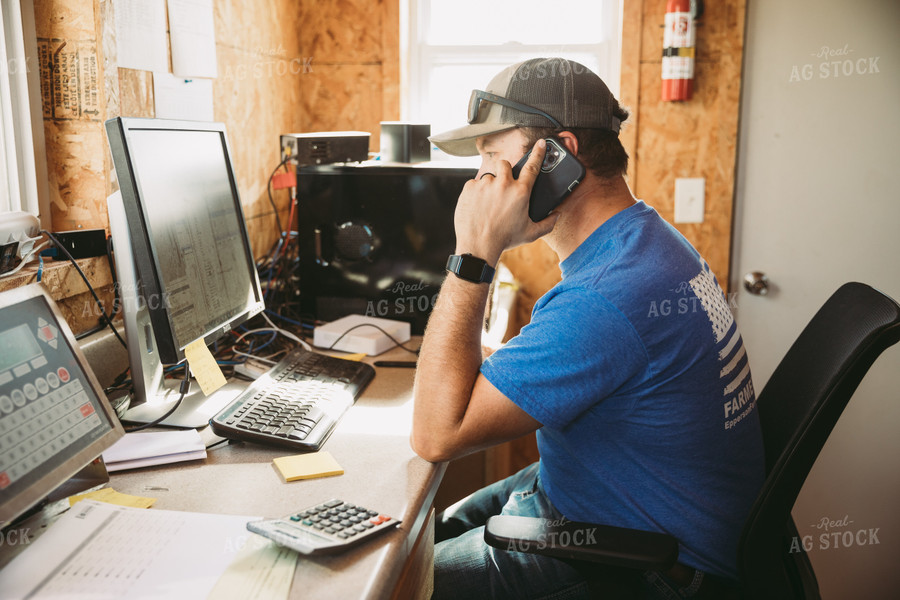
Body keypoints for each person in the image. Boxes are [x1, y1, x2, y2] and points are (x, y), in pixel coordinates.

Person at [410, 57, 765, 599]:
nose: (480, 180)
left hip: (640, 565)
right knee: (411, 540)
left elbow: (435, 435)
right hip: (595, 502)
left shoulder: (606, 296)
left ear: (558, 156)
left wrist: (473, 254)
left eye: (490, 156)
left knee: (401, 583)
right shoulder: (647, 241)